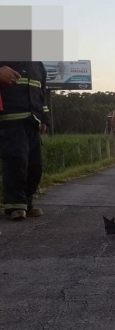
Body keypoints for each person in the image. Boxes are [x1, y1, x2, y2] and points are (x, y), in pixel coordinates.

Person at [0, 62, 50, 221]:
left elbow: (41, 94)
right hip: (9, 122)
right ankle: (15, 204)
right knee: (17, 161)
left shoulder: (38, 65)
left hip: (32, 122)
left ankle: (27, 202)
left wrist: (44, 119)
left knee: (36, 166)